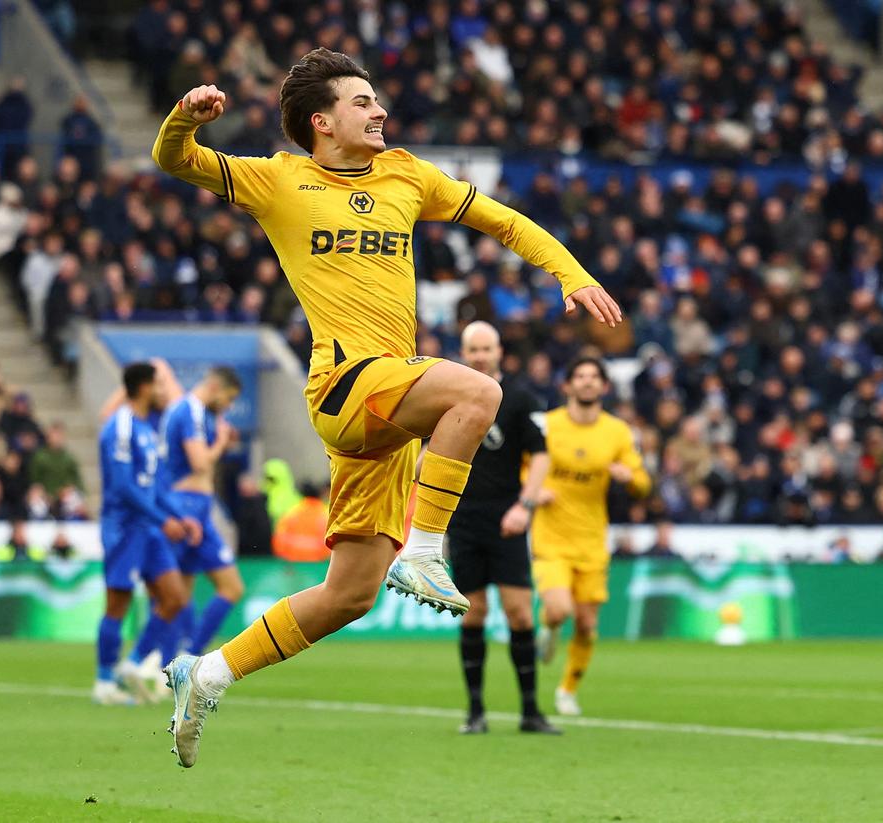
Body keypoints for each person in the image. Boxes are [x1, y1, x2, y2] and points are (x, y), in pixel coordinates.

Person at [153, 48, 619, 767]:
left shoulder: (407, 174)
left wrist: (572, 272)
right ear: (322, 120)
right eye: (363, 101)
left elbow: (503, 221)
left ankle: (206, 673)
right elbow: (175, 162)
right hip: (343, 382)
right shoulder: (278, 180)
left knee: (349, 594)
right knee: (479, 390)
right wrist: (185, 120)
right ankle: (428, 552)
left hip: (388, 409)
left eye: (378, 100)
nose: (380, 110)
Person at [449, 321, 559, 735]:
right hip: (463, 518)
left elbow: (542, 456)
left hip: (507, 519)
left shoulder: (519, 398)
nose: (479, 356)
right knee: (472, 612)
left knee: (518, 612)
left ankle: (530, 711)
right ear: (463, 352)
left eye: (486, 348)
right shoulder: (449, 398)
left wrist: (525, 505)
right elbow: (426, 453)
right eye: (472, 349)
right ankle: (475, 712)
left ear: (499, 351)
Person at [532, 357, 651, 718]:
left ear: (604, 387)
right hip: (551, 538)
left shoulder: (617, 432)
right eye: (579, 376)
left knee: (586, 624)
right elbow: (523, 467)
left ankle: (567, 690)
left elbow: (643, 483)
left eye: (593, 377)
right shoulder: (547, 426)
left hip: (591, 540)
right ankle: (550, 627)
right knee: (559, 609)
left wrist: (627, 477)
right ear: (566, 386)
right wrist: (533, 492)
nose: (586, 382)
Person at [95, 362, 201, 706]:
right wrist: (162, 518)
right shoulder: (122, 426)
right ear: (143, 387)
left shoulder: (145, 428)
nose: (162, 392)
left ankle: (135, 663)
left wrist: (181, 518)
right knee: (118, 604)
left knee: (174, 597)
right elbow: (124, 486)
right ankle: (104, 681)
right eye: (158, 386)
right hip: (124, 527)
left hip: (149, 527)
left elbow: (156, 486)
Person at [156, 366, 245, 665]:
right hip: (187, 506)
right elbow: (199, 464)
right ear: (216, 387)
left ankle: (177, 660)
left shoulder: (193, 412)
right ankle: (183, 657)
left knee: (183, 590)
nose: (229, 406)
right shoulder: (190, 411)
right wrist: (219, 443)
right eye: (229, 398)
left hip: (194, 505)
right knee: (228, 587)